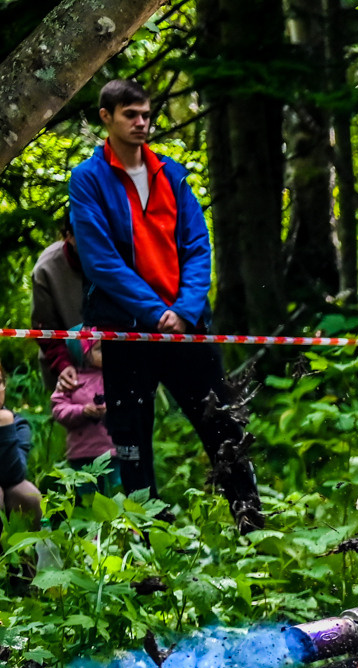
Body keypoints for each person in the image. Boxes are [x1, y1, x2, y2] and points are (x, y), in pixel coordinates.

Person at [68, 78, 263, 532]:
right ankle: (145, 539)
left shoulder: (171, 174)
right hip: (130, 329)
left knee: (222, 423)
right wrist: (155, 312)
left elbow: (198, 246)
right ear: (106, 118)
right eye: (130, 115)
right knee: (131, 436)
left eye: (146, 115)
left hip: (187, 326)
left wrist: (186, 308)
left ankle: (253, 526)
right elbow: (100, 260)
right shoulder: (88, 180)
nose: (141, 123)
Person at [31, 215, 83, 393]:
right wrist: (63, 364)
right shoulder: (47, 268)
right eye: (85, 235)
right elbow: (44, 327)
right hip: (67, 369)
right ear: (69, 236)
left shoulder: (113, 256)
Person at [52, 337, 113, 487]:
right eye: (99, 349)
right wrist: (82, 411)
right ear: (81, 353)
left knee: (115, 494)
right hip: (82, 452)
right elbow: (58, 409)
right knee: (87, 498)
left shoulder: (116, 377)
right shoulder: (71, 380)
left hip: (113, 451)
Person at [0, 370, 41, 530]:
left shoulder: (17, 424)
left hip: (8, 483)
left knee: (28, 494)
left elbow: (15, 475)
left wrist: (4, 426)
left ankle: (32, 549)